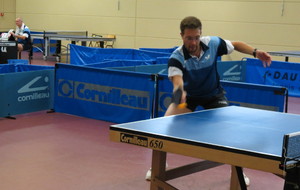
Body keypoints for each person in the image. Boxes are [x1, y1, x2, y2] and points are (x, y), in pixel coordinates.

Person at [145, 16, 272, 186]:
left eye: (196, 37)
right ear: (181, 36)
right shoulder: (176, 57)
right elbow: (177, 82)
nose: (193, 42)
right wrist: (179, 93)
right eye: (189, 38)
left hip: (213, 95)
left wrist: (256, 52)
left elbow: (235, 44)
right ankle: (157, 167)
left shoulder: (213, 44)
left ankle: (238, 172)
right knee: (165, 124)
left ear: (200, 35)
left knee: (230, 131)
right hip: (187, 96)